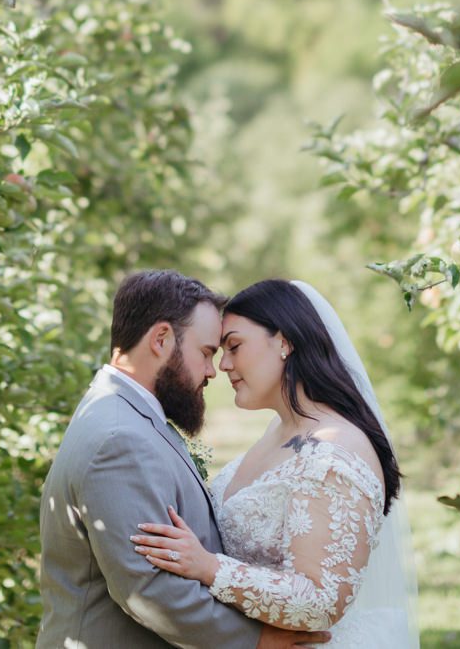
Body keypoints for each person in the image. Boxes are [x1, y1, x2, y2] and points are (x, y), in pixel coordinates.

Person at [38, 269, 333, 649]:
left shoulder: (119, 411)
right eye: (206, 352)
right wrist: (255, 639)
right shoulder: (120, 438)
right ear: (161, 339)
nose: (213, 370)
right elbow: (148, 588)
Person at [131, 279, 421, 647]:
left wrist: (208, 567)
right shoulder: (278, 430)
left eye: (234, 346)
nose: (223, 365)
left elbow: (321, 600)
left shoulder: (336, 451)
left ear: (284, 341)